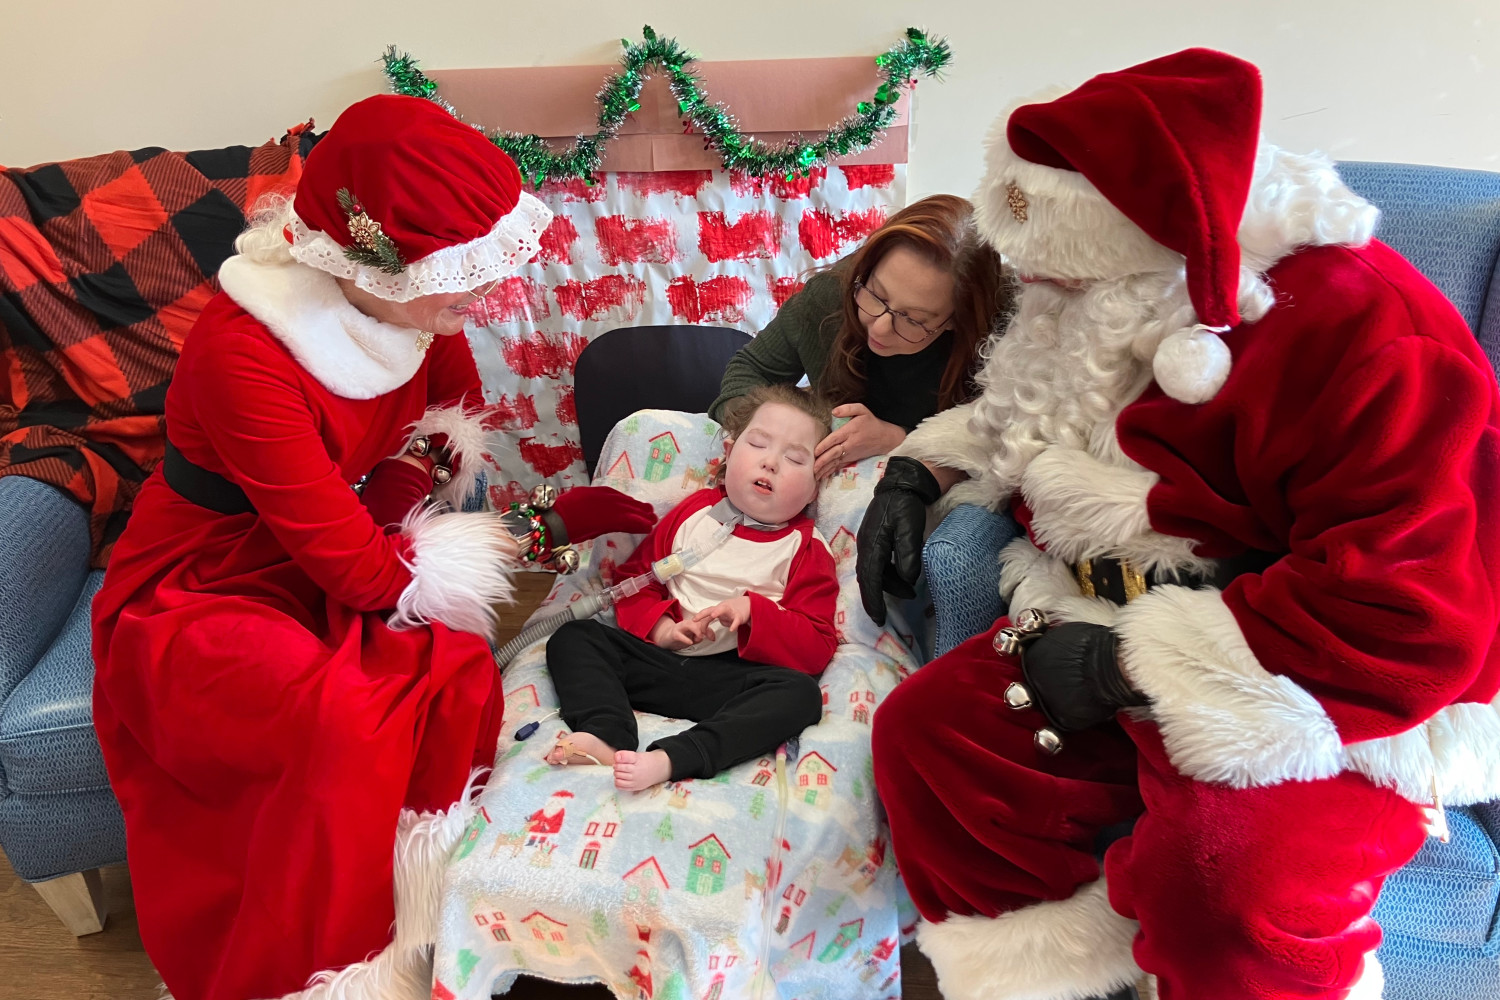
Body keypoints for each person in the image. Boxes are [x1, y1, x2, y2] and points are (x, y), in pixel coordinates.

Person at [857, 50, 1500, 1000]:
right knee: (927, 737)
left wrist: (1128, 667)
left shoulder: (1363, 330)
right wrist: (915, 470)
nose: (1035, 291)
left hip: (1310, 686)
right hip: (1092, 618)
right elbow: (1028, 413)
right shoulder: (1095, 295)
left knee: (1226, 875)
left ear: (1155, 244)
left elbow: (1402, 613)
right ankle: (1053, 981)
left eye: (1058, 280)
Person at [90, 95, 656, 1000]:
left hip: (342, 542)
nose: (483, 293)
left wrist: (405, 495)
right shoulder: (247, 356)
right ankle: (307, 968)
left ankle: (423, 926)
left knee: (450, 671)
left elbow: (438, 427)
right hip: (206, 581)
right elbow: (357, 570)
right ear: (375, 262)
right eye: (460, 271)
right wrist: (537, 528)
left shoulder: (419, 310)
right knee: (340, 715)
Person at [545, 384, 838, 792]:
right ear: (730, 453)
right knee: (576, 637)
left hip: (730, 682)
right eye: (758, 444)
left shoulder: (804, 547)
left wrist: (754, 612)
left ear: (814, 486)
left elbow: (818, 643)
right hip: (658, 662)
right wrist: (661, 629)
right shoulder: (693, 514)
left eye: (794, 459)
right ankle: (606, 737)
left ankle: (673, 757)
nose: (771, 463)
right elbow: (636, 582)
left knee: (800, 695)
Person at [707, 195, 1016, 480]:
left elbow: (1006, 449)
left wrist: (897, 439)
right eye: (876, 294)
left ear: (957, 321)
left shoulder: (1007, 330)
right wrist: (777, 433)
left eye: (913, 319)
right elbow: (747, 372)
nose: (879, 329)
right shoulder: (829, 296)